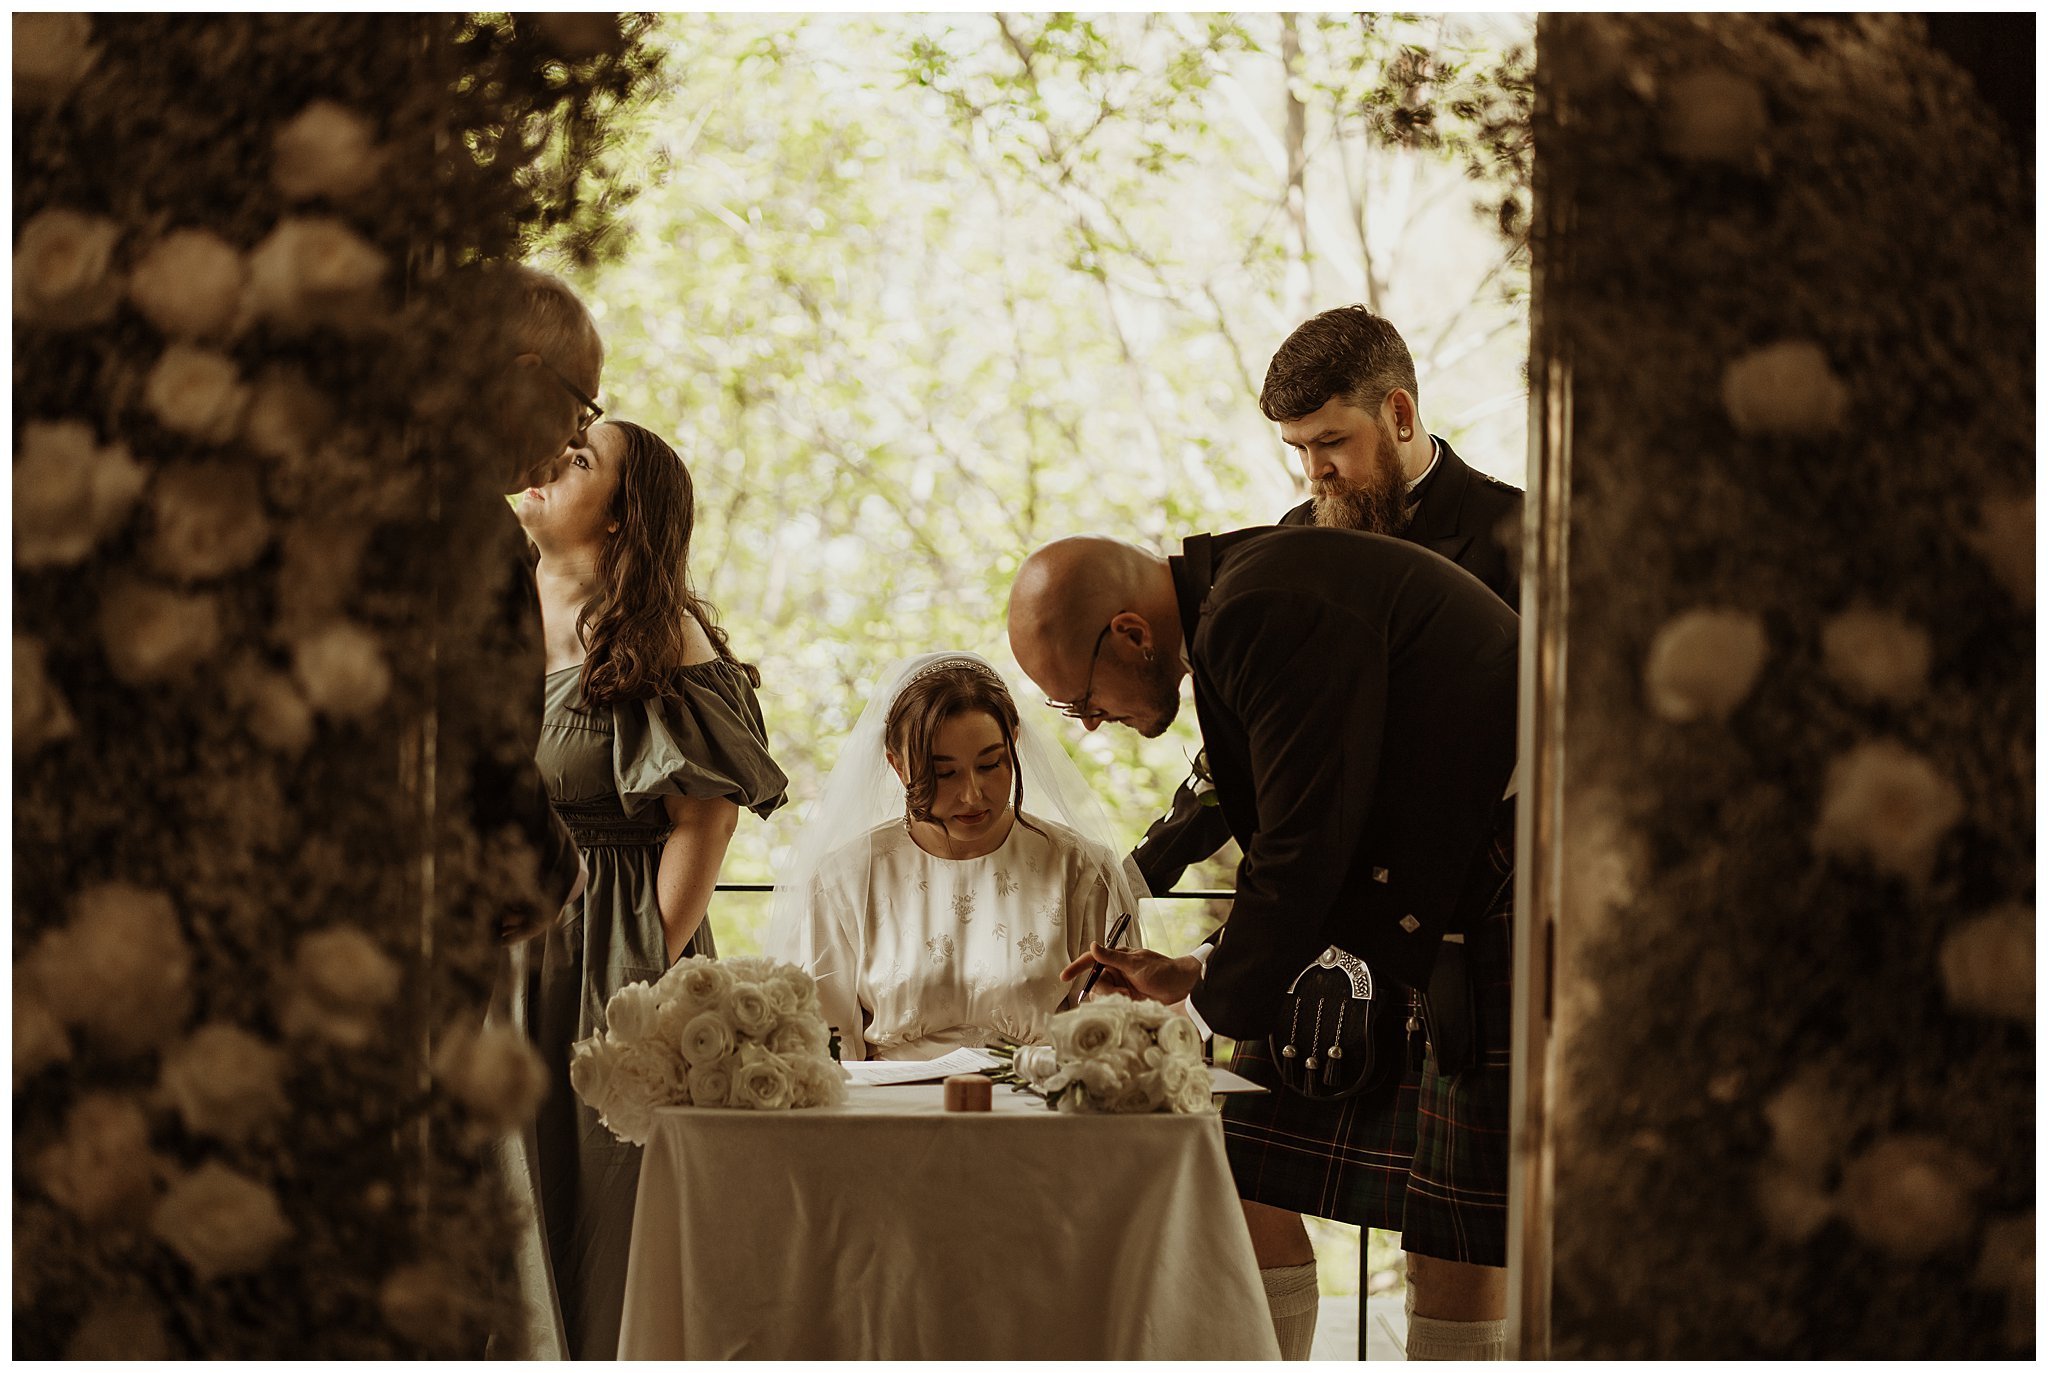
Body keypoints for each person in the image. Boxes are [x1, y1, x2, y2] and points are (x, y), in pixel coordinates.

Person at [1007, 528, 1517, 1362]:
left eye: (1081, 700)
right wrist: (1195, 971)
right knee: (1260, 1171)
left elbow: (1303, 851)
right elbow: (1324, 831)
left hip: (1505, 875)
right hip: (1446, 881)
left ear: (1132, 633)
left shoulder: (1257, 610)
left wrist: (1187, 1028)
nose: (1093, 724)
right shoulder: (1245, 601)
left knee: (1457, 1226)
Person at [515, 418, 788, 1360]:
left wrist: (637, 982)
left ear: (626, 517)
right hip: (504, 951)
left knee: (607, 1216)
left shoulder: (659, 633)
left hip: (615, 949)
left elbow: (704, 821)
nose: (549, 459)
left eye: (579, 459)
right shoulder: (489, 612)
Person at [1132, 303, 1521, 895]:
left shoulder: (1520, 533)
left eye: (1332, 441)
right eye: (1298, 449)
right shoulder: (1293, 538)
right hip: (1328, 906)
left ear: (1400, 414)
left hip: (1484, 898)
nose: (1316, 472)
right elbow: (1255, 740)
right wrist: (1139, 871)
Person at [765, 652, 1145, 1060]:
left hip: (1041, 1108)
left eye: (990, 764)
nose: (972, 795)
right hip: (888, 1111)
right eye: (944, 773)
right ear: (897, 765)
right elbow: (827, 1046)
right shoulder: (846, 878)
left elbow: (1115, 1036)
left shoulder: (1080, 868)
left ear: (1013, 744)